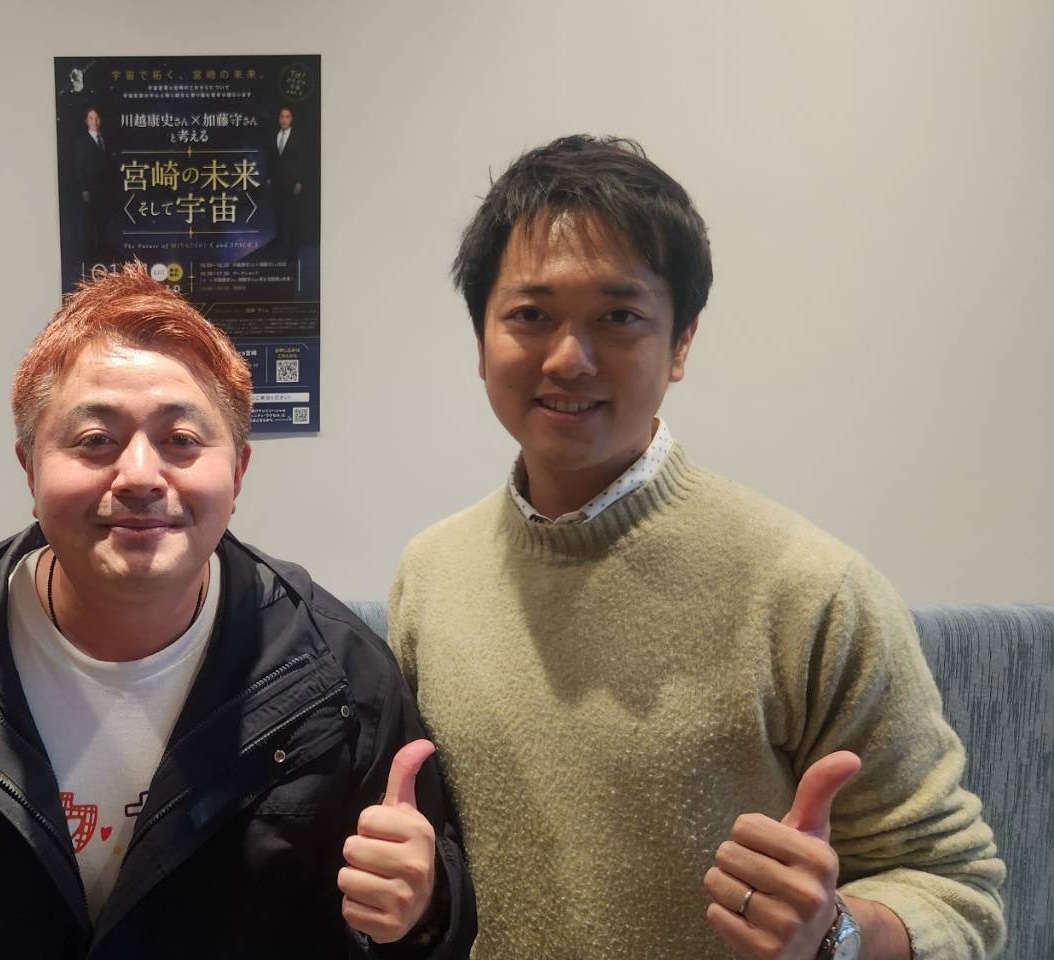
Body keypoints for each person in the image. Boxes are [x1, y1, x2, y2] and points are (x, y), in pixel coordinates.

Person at [391, 135, 1005, 959]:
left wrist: (834, 933)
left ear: (680, 343)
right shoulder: (430, 575)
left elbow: (956, 893)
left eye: (618, 317)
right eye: (530, 315)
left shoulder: (811, 589)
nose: (569, 358)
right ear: (480, 340)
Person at [0, 264, 475, 959]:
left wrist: (421, 914)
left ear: (237, 472)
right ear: (30, 469)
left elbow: (426, 926)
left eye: (181, 441)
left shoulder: (338, 676)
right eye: (94, 441)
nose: (140, 476)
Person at [74, 107, 116, 267]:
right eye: (91, 118)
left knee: (103, 222)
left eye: (97, 118)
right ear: (86, 121)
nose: (95, 121)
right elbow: (78, 168)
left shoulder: (105, 140)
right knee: (90, 222)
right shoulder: (82, 143)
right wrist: (84, 189)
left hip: (105, 189)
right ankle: (91, 256)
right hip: (91, 190)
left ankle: (104, 251)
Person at [266, 104, 311, 252]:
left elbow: (302, 160)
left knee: (291, 212)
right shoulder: (275, 136)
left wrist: (300, 181)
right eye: (282, 117)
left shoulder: (298, 138)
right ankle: (279, 240)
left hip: (292, 181)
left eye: (287, 117)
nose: (284, 120)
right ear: (279, 119)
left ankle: (292, 242)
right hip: (276, 181)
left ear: (291, 119)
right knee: (277, 211)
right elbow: (271, 159)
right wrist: (269, 178)